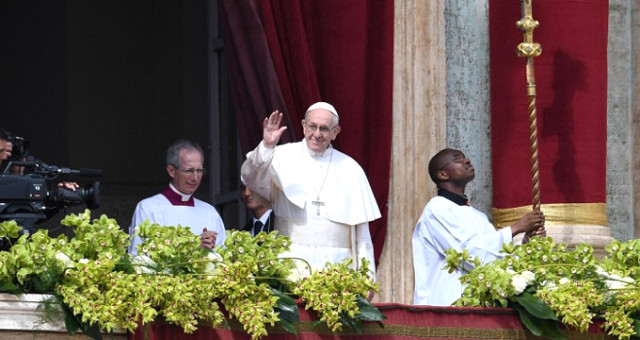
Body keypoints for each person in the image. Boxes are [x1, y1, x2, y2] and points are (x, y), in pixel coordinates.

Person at [241, 102, 380, 277]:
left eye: (324, 128)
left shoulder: (350, 168)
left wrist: (368, 276)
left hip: (338, 271)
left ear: (335, 132)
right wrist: (267, 147)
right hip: (290, 267)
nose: (317, 134)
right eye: (312, 126)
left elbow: (362, 234)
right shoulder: (281, 156)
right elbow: (250, 177)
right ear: (304, 126)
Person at [412, 148, 546, 306]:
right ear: (443, 175)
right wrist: (515, 228)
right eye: (458, 159)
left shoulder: (478, 216)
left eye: (465, 157)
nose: (467, 161)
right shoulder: (436, 210)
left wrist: (526, 243)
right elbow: (467, 255)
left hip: (478, 304)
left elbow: (494, 259)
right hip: (447, 303)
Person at [128, 140, 226, 255]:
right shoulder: (148, 208)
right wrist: (193, 247)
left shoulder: (209, 212)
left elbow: (223, 257)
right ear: (171, 171)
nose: (195, 178)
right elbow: (138, 259)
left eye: (199, 171)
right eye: (189, 171)